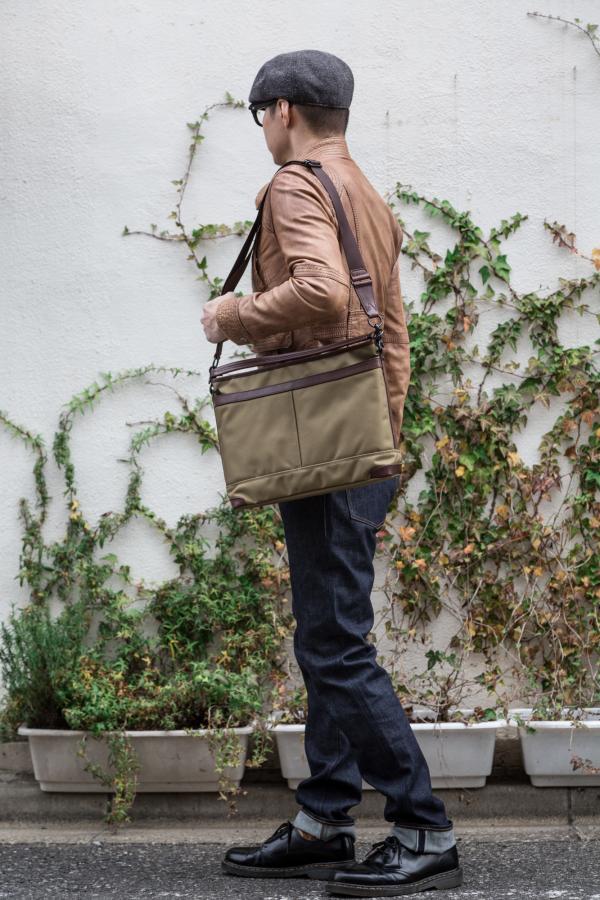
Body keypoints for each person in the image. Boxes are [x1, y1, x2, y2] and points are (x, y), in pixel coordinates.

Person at [202, 49, 463, 897]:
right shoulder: (361, 190)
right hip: (358, 440)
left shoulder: (296, 184)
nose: (264, 130)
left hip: (327, 445)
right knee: (329, 634)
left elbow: (322, 295)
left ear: (282, 110)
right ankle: (324, 819)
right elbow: (390, 329)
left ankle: (423, 828)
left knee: (334, 644)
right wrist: (383, 433)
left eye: (261, 116)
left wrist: (233, 314)